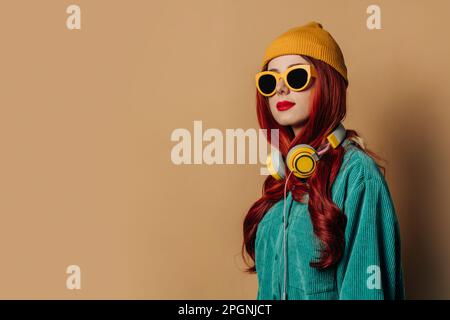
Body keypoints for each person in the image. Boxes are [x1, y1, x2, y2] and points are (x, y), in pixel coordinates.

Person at [242, 21, 405, 300]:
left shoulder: (358, 176)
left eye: (296, 77)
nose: (280, 89)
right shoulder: (282, 182)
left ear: (328, 83)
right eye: (270, 81)